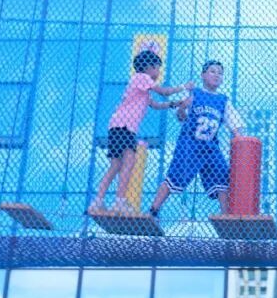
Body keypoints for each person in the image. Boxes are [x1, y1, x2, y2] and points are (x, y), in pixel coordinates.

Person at [90, 48, 193, 213]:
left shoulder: (141, 86)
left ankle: (98, 200)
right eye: (157, 68)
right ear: (149, 67)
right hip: (125, 127)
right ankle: (119, 201)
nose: (158, 72)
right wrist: (183, 87)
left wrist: (174, 104)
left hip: (117, 126)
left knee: (115, 165)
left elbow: (156, 105)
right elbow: (164, 92)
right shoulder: (142, 78)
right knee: (129, 162)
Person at [147, 60, 245, 217]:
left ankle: (226, 216)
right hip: (190, 144)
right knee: (175, 177)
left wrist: (241, 138)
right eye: (212, 71)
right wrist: (182, 108)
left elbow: (235, 125)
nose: (217, 75)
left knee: (222, 177)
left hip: (210, 148)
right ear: (203, 75)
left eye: (220, 73)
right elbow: (181, 117)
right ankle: (153, 211)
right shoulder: (195, 94)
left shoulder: (223, 100)